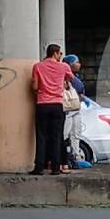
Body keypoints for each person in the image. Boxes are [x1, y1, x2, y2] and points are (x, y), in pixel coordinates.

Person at [30, 44, 74, 175]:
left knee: (41, 136)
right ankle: (56, 167)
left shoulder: (38, 66)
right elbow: (70, 78)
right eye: (59, 53)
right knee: (56, 137)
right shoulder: (64, 67)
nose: (60, 56)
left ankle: (39, 167)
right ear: (55, 53)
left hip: (42, 104)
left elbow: (35, 86)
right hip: (57, 105)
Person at [62, 54, 90, 168]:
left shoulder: (76, 76)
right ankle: (62, 158)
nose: (79, 64)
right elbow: (78, 87)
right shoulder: (66, 76)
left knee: (76, 134)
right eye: (76, 62)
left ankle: (76, 156)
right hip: (68, 109)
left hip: (76, 108)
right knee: (65, 134)